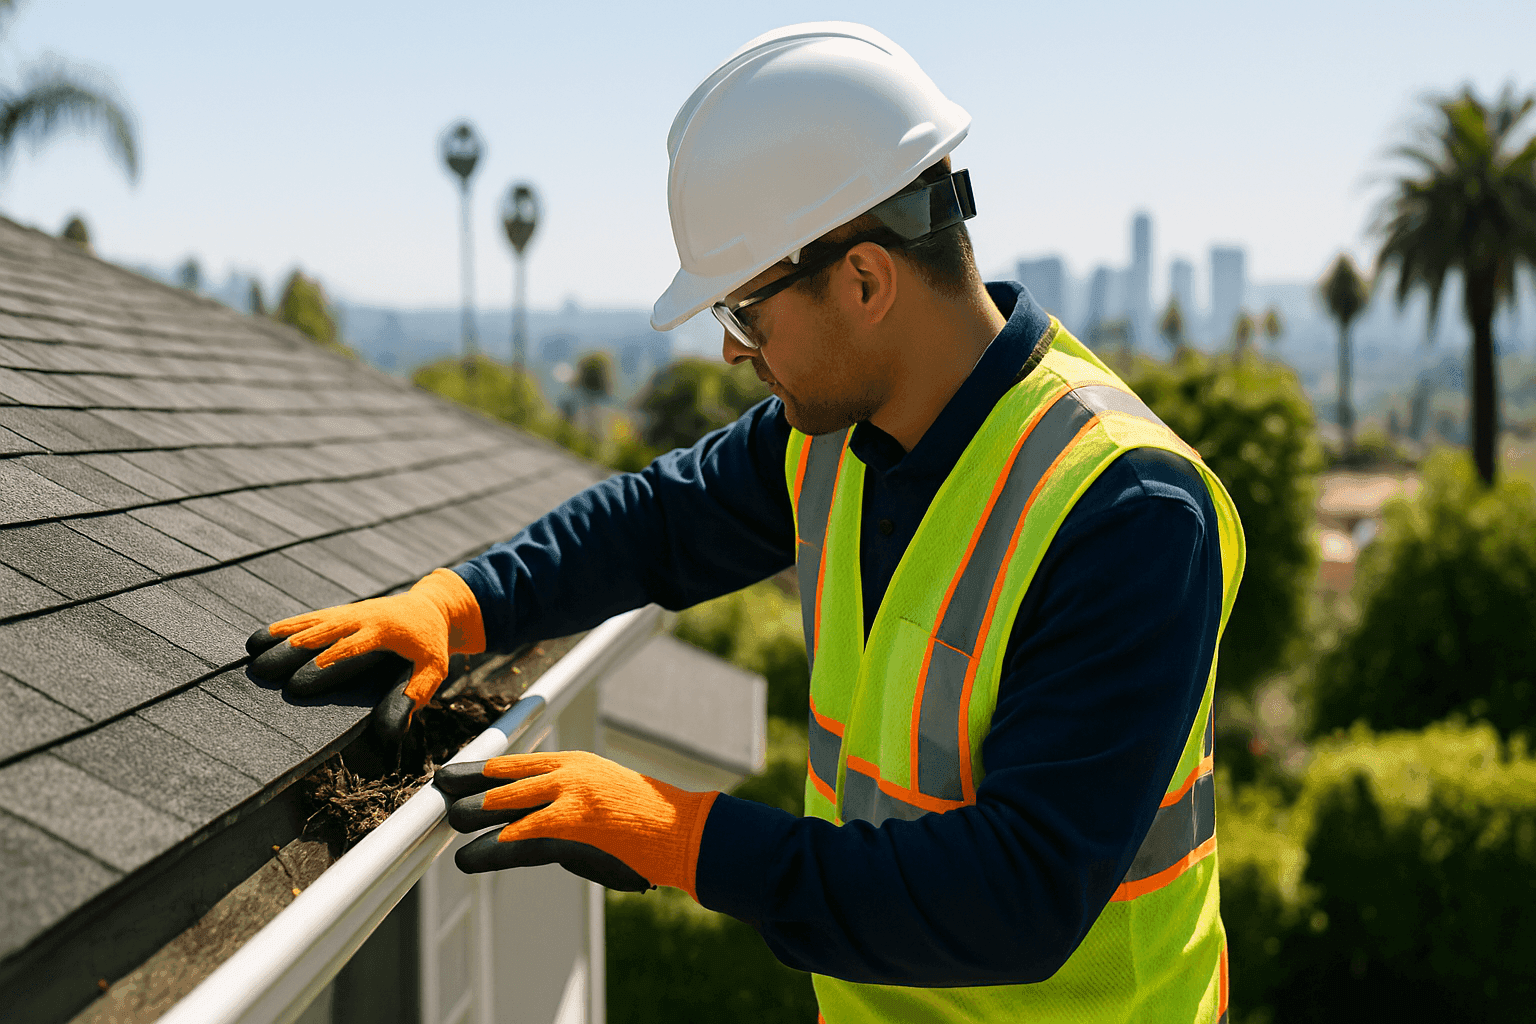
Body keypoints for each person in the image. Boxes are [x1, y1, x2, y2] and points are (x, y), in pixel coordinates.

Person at [248, 22, 1243, 1023]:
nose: (732, 353)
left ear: (865, 280)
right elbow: (657, 522)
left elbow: (1020, 896)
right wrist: (454, 606)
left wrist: (683, 838)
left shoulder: (1126, 513)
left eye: (745, 314)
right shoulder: (831, 438)